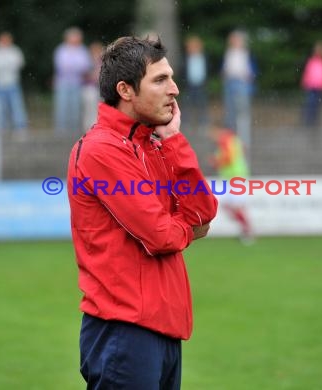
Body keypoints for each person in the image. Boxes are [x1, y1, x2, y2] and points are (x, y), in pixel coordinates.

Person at [67, 36, 218, 389]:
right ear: (126, 90)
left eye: (172, 78)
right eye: (160, 80)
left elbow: (203, 213)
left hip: (163, 330)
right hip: (124, 331)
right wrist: (186, 230)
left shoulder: (152, 143)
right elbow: (160, 235)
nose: (175, 89)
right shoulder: (100, 150)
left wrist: (174, 143)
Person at [209, 126, 254, 244]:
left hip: (235, 177)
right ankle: (245, 229)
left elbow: (228, 158)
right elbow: (242, 150)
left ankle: (247, 231)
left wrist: (216, 162)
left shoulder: (224, 139)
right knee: (228, 206)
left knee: (233, 206)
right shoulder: (233, 139)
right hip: (235, 177)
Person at [0, 32, 28, 138]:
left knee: (16, 107)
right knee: (0, 109)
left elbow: (19, 63)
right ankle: (2, 128)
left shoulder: (14, 50)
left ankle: (20, 128)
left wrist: (6, 64)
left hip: (12, 84)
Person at [222, 30, 256, 151]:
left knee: (242, 113)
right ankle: (231, 140)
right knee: (230, 113)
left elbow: (249, 72)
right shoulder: (229, 53)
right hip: (231, 84)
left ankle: (243, 139)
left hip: (241, 84)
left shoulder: (245, 54)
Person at [53, 27, 91, 134]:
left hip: (77, 83)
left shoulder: (82, 50)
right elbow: (62, 66)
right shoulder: (61, 50)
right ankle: (61, 130)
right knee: (62, 107)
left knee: (75, 107)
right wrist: (76, 67)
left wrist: (74, 67)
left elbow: (85, 66)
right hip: (63, 83)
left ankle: (73, 130)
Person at [301, 40, 322, 128]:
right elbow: (307, 73)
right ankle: (308, 121)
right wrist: (305, 83)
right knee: (310, 104)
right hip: (312, 87)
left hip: (320, 88)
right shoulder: (312, 62)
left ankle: (313, 121)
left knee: (317, 105)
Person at [182, 35, 209, 135]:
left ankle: (203, 124)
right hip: (189, 85)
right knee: (187, 105)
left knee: (202, 105)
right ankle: (186, 123)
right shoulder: (186, 59)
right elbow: (183, 72)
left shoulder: (204, 57)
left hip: (201, 85)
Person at [81, 41, 103, 132]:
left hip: (100, 88)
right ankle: (88, 126)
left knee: (98, 108)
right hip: (90, 88)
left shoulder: (102, 62)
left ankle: (97, 124)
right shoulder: (87, 62)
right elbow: (85, 76)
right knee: (89, 107)